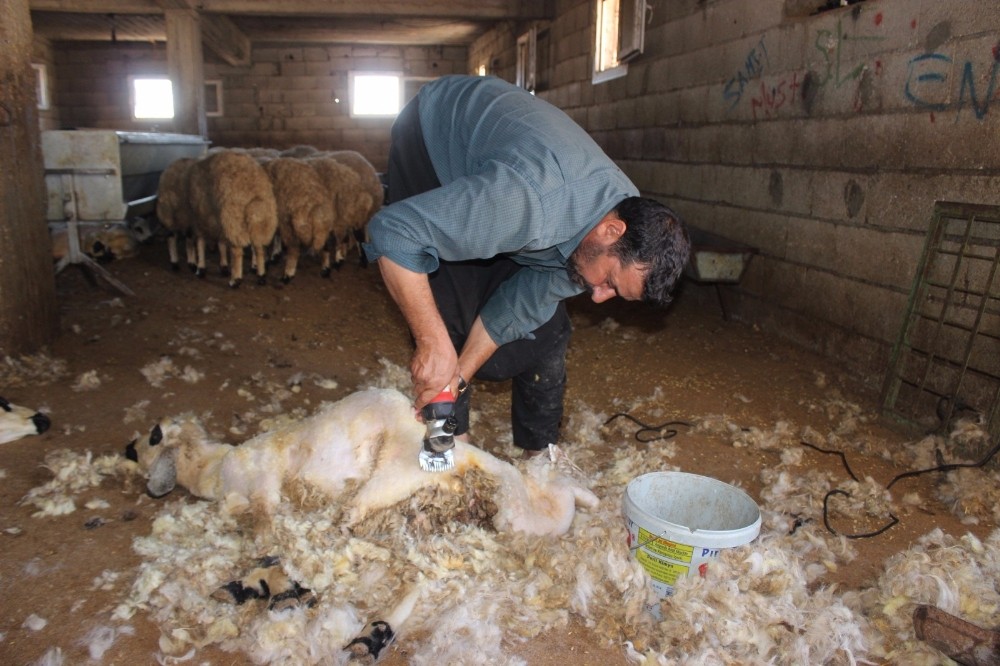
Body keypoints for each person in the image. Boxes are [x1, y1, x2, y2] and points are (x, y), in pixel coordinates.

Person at [363, 75, 690, 457]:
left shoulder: (614, 225)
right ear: (611, 231)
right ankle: (448, 446)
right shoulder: (529, 203)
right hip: (435, 135)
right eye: (611, 283)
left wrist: (458, 377)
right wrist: (432, 343)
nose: (599, 297)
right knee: (446, 300)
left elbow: (516, 308)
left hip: (517, 184)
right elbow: (394, 232)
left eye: (616, 295)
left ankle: (538, 455)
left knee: (546, 329)